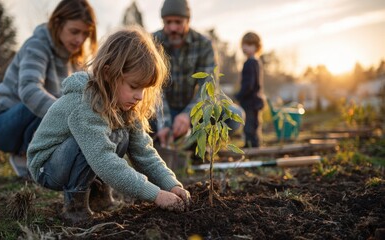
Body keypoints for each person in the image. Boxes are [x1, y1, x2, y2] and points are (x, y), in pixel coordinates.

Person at [27, 26, 191, 225]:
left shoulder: (127, 106)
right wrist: (156, 195)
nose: (140, 96)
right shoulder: (84, 102)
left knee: (120, 135)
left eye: (144, 89)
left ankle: (99, 196)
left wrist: (171, 184)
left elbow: (145, 153)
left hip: (77, 157)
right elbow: (103, 159)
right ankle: (75, 207)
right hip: (48, 167)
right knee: (91, 142)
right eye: (133, 86)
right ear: (108, 74)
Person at [0, 0, 98, 178]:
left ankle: (34, 155)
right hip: (1, 126)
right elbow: (29, 90)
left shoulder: (74, 58)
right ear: (57, 23)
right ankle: (25, 154)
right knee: (44, 100)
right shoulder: (37, 45)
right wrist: (69, 114)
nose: (80, 39)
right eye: (74, 31)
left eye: (85, 34)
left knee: (72, 103)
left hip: (28, 122)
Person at [152, 0, 243, 148]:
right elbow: (153, 89)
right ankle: (165, 139)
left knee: (235, 115)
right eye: (168, 22)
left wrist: (188, 115)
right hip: (159, 112)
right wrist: (165, 122)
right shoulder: (152, 42)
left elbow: (208, 88)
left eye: (178, 22)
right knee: (133, 119)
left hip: (194, 112)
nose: (173, 27)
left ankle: (193, 141)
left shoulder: (204, 45)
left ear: (188, 20)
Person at [235, 32, 265, 148]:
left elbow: (249, 85)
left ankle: (252, 146)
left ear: (256, 47)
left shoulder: (250, 63)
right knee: (254, 124)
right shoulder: (257, 62)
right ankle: (254, 144)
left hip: (250, 101)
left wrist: (239, 96)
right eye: (243, 44)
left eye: (248, 45)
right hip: (256, 100)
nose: (244, 47)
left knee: (249, 125)